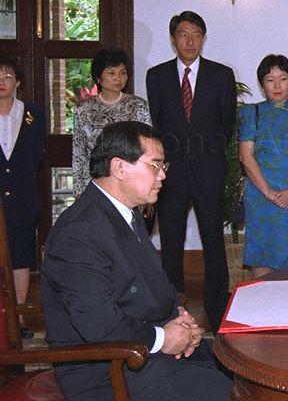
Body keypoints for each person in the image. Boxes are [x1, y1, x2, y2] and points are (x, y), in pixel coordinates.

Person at [40, 121, 232, 401]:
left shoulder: (125, 214)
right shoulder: (78, 232)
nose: (163, 176)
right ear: (119, 168)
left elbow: (151, 286)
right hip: (109, 370)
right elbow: (100, 328)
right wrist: (164, 338)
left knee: (240, 368)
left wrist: (179, 318)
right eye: (155, 165)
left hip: (144, 351)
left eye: (163, 167)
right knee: (234, 393)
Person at [146, 11, 236, 331]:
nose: (190, 40)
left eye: (196, 34)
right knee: (171, 240)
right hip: (170, 172)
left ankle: (217, 309)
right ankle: (171, 307)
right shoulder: (156, 76)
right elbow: (158, 124)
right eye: (183, 34)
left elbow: (226, 125)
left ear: (203, 38)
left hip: (208, 168)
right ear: (173, 39)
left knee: (214, 239)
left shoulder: (221, 75)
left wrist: (205, 153)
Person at [238, 54, 288, 278]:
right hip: (260, 195)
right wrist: (268, 193)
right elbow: (246, 156)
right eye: (269, 79)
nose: (276, 85)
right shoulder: (250, 113)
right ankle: (262, 309)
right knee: (262, 255)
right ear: (262, 85)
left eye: (282, 78)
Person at [72, 47, 151, 198]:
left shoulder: (138, 105)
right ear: (98, 77)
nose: (118, 78)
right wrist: (79, 191)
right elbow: (79, 153)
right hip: (96, 183)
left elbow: (146, 149)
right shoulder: (84, 109)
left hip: (131, 181)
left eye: (123, 73)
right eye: (112, 73)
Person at [0, 55, 44, 305]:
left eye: (7, 76)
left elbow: (36, 154)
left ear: (18, 82)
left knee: (21, 256)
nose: (2, 81)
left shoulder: (33, 113)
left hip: (22, 197)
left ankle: (19, 318)